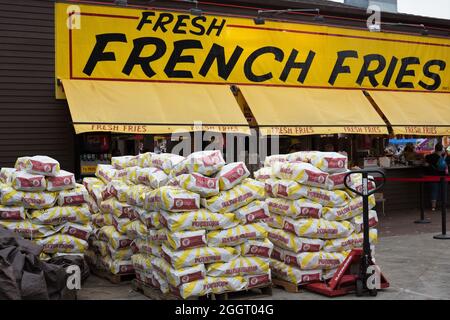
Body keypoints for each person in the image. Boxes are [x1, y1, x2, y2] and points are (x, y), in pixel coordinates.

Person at [425, 143, 449, 211]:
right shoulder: (443, 158)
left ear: (435, 149)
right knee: (443, 191)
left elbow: (425, 165)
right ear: (442, 150)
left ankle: (433, 207)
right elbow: (446, 167)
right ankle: (443, 206)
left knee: (433, 191)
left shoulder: (428, 157)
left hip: (432, 176)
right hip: (443, 176)